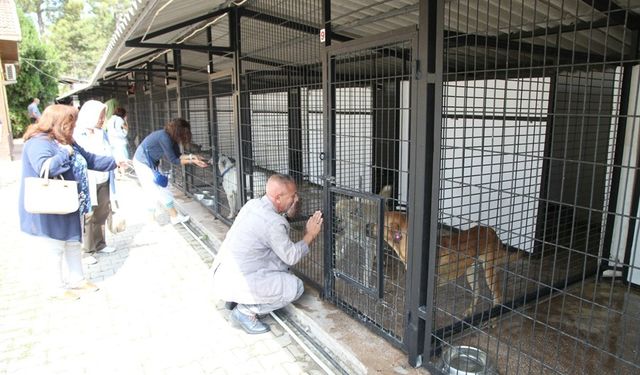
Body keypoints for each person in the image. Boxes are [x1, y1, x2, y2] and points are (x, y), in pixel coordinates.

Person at [18, 104, 119, 300]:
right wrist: (64, 153)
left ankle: (77, 280)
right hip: (50, 204)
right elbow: (45, 168)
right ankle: (56, 288)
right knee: (55, 247)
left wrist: (115, 162)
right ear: (57, 122)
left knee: (73, 241)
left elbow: (88, 159)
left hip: (70, 201)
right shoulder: (38, 142)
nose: (72, 127)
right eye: (69, 123)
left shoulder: (65, 140)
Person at [211, 174, 323, 334]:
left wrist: (289, 211)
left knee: (277, 265)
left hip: (222, 275)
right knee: (295, 287)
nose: (296, 199)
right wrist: (310, 234)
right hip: (238, 280)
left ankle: (236, 299)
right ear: (278, 197)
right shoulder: (274, 223)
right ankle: (245, 312)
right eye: (293, 196)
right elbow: (291, 257)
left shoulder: (252, 204)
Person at [132, 118, 208, 225]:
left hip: (151, 164)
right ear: (179, 131)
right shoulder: (164, 138)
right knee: (152, 191)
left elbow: (178, 155)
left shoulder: (172, 138)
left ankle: (174, 217)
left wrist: (193, 157)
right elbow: (174, 160)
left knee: (163, 187)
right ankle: (152, 220)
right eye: (184, 133)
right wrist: (192, 161)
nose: (185, 136)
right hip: (142, 162)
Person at [73, 100, 117, 264]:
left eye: (103, 116)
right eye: (100, 116)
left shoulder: (101, 132)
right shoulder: (77, 133)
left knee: (102, 211)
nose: (102, 119)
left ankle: (100, 244)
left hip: (103, 177)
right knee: (88, 214)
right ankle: (87, 250)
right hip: (88, 180)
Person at [105, 107, 129, 178]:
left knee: (115, 158)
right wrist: (126, 121)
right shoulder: (120, 120)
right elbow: (125, 132)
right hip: (120, 142)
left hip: (111, 142)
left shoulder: (110, 119)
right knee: (122, 158)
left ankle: (116, 174)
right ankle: (123, 174)